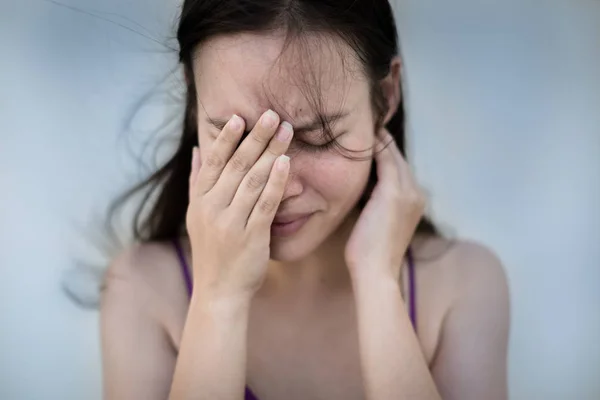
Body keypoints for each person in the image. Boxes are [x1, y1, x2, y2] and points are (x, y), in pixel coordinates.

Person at [100, 1, 510, 399]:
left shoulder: (463, 285)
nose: (280, 186)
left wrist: (379, 283)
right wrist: (218, 297)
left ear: (385, 95)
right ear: (194, 101)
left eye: (318, 138)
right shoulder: (142, 291)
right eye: (240, 140)